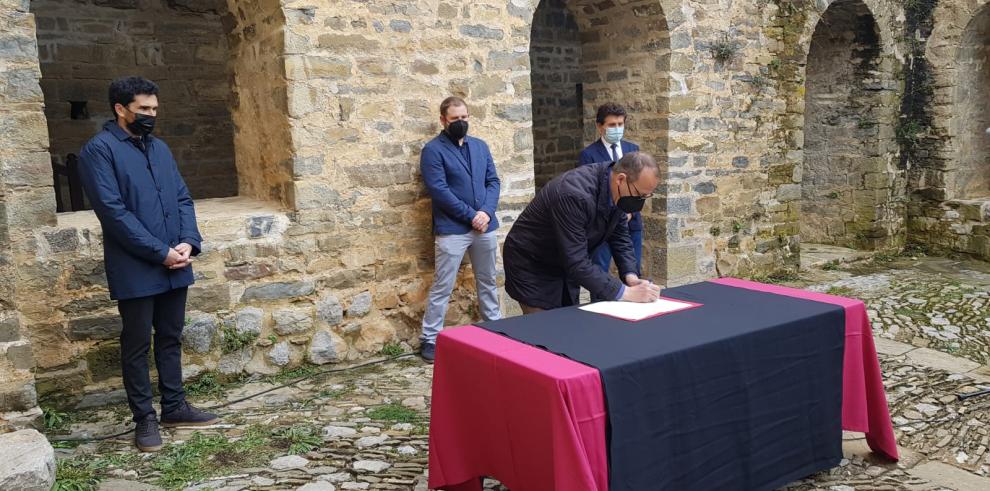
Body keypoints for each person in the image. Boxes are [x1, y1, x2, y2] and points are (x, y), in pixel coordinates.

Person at [77, 77, 218, 452]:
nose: (151, 116)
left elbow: (183, 198)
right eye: (143, 110)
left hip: (176, 260)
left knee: (171, 337)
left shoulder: (161, 149)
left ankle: (175, 407)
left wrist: (189, 241)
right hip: (136, 265)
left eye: (154, 109)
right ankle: (144, 421)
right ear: (120, 109)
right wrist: (160, 252)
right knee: (137, 344)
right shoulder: (99, 151)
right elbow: (114, 213)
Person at [504, 152, 662, 313]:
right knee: (542, 328)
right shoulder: (573, 195)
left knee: (569, 320)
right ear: (621, 179)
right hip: (532, 264)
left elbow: (620, 236)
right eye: (640, 195)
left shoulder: (617, 191)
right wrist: (626, 293)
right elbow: (577, 261)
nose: (640, 202)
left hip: (562, 263)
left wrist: (631, 277)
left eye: (646, 196)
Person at [419, 96, 502, 362]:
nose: (461, 123)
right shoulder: (433, 150)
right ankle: (430, 338)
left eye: (464, 118)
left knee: (488, 280)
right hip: (453, 229)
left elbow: (493, 181)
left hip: (485, 225)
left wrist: (486, 212)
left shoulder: (480, 146)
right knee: (443, 285)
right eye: (455, 119)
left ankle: (495, 328)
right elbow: (439, 190)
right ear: (443, 120)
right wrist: (471, 216)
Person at [578, 103, 644, 286]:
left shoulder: (633, 149)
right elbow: (589, 190)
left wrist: (630, 211)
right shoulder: (588, 155)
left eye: (620, 124)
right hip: (603, 226)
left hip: (632, 222)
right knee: (599, 272)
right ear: (600, 126)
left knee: (633, 272)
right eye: (612, 125)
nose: (617, 129)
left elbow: (639, 183)